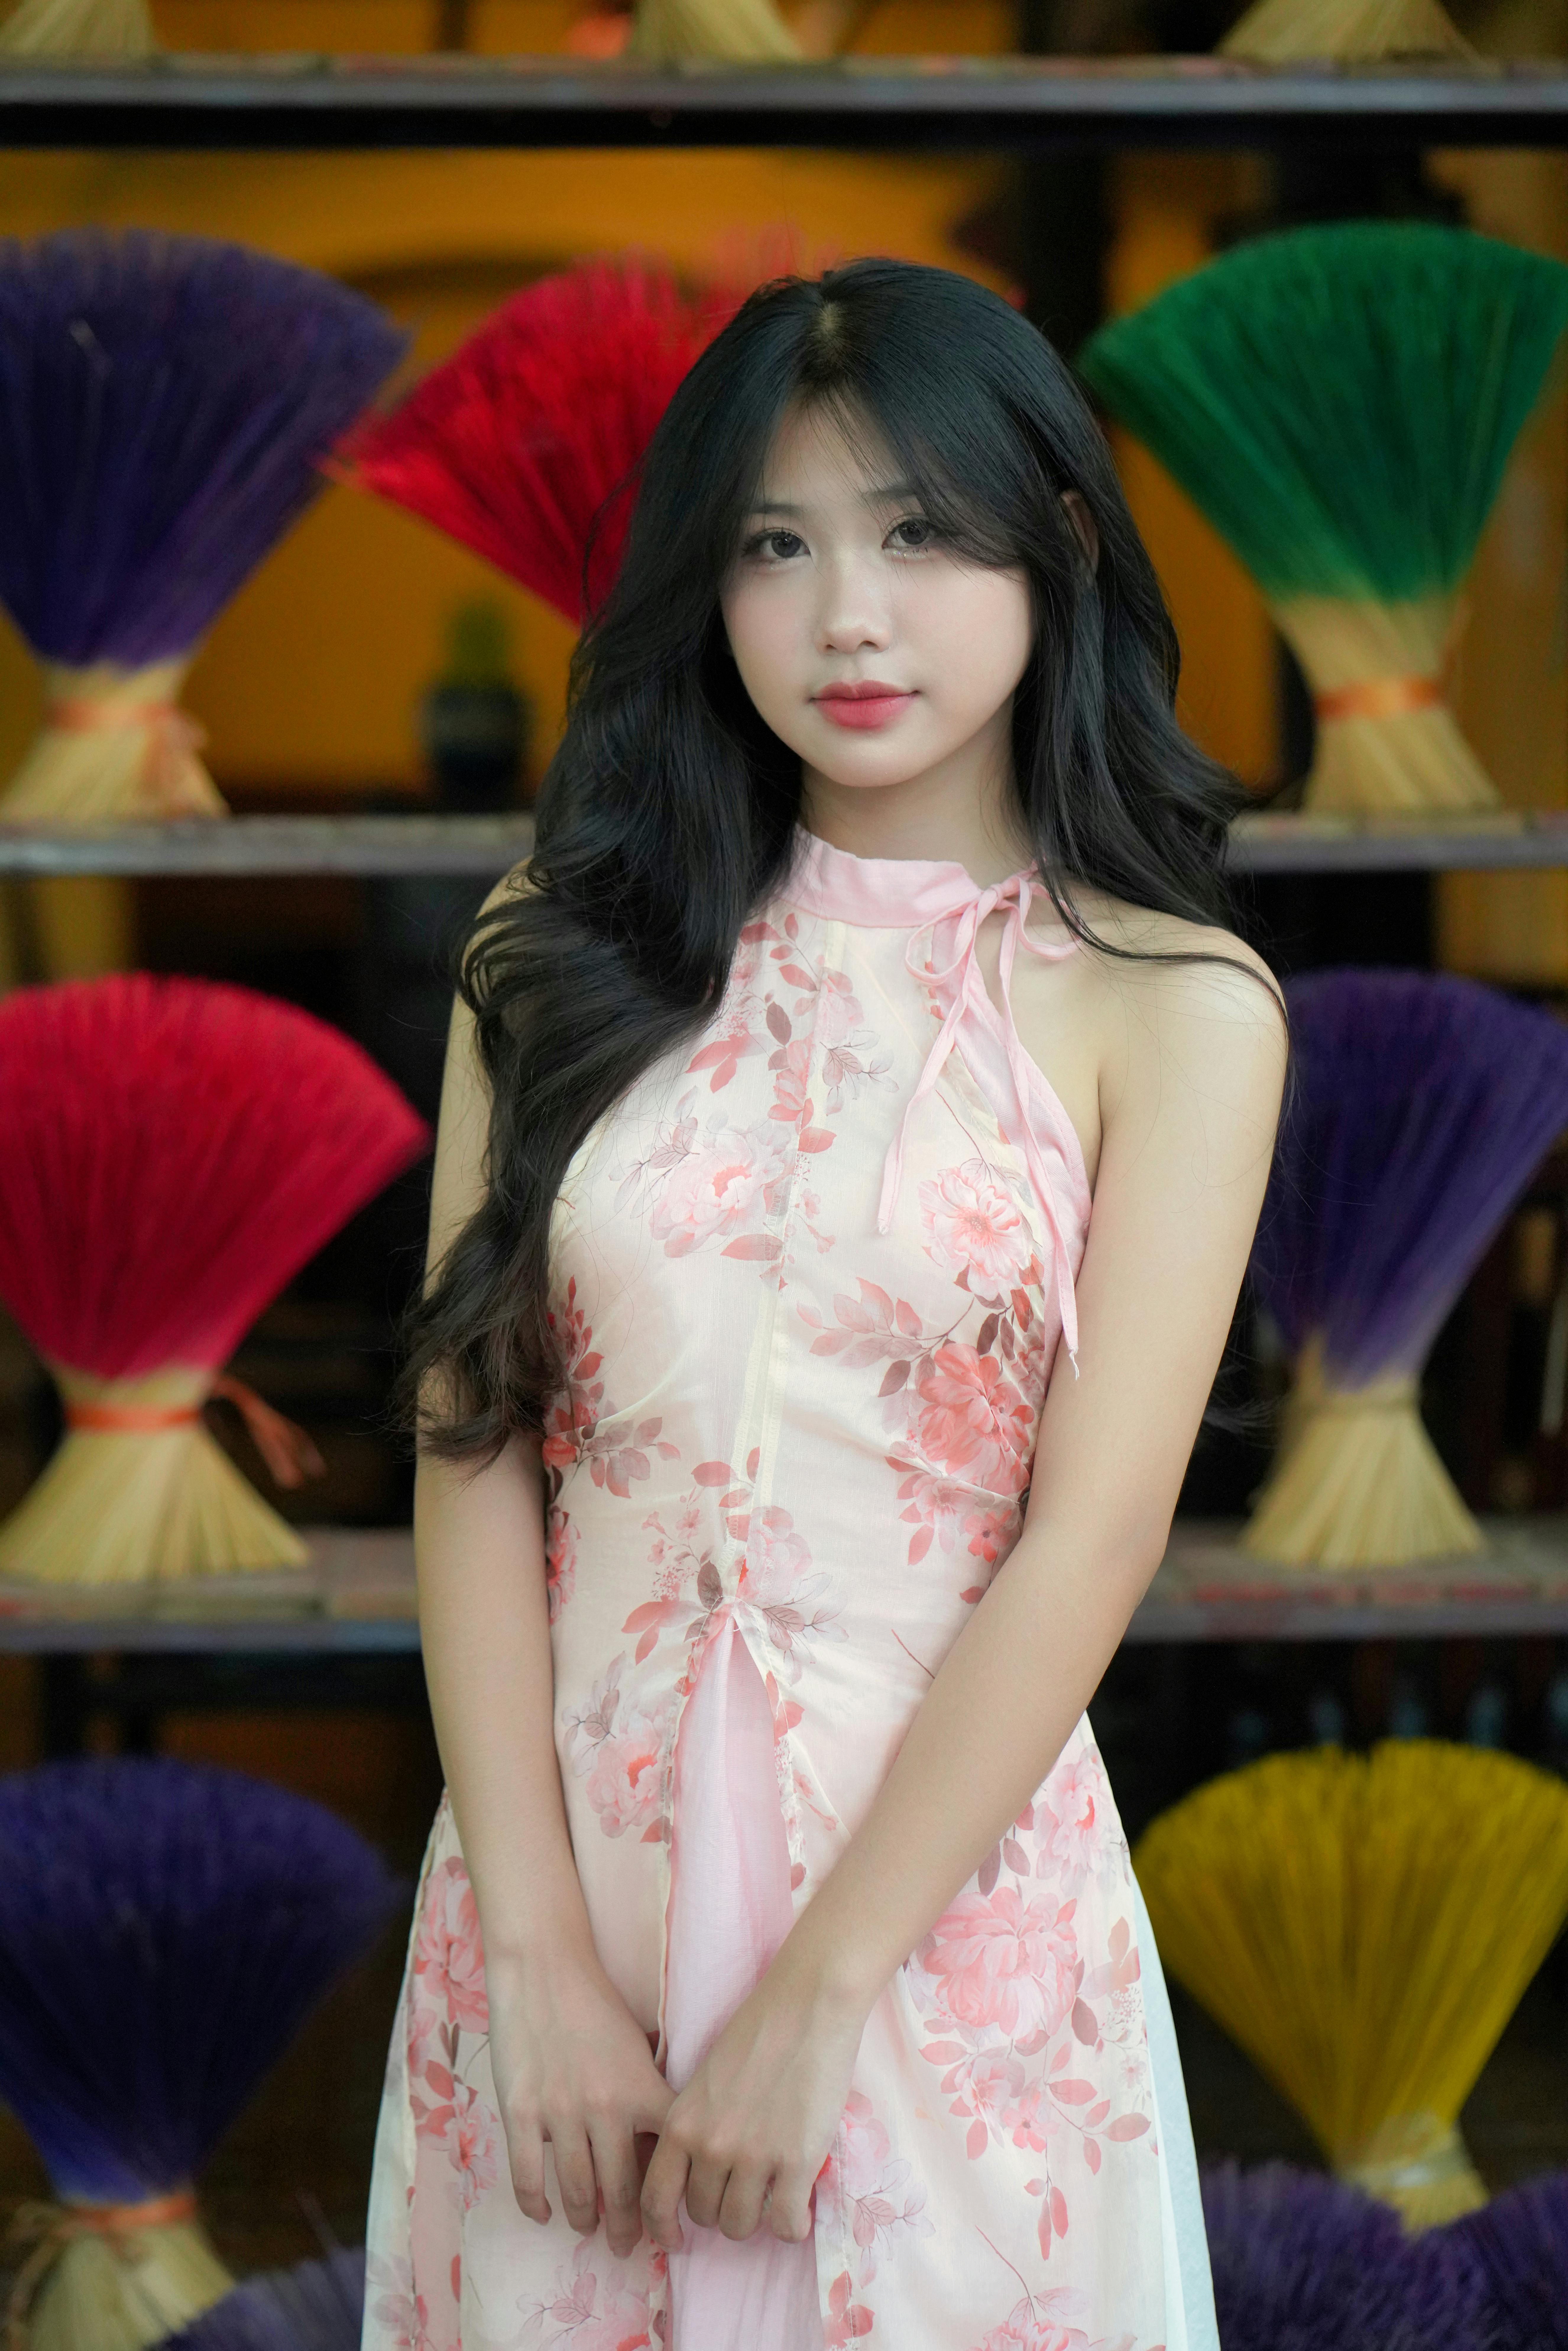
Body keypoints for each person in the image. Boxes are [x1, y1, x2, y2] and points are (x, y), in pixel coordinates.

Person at [362, 257, 1288, 2351]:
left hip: (935, 1930)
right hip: (558, 1915)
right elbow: (473, 1442)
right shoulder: (555, 950)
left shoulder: (1172, 1007)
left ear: (1052, 544)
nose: (846, 616)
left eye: (915, 536)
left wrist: (822, 1991)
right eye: (775, 546)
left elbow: (1095, 1530)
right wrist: (529, 1953)